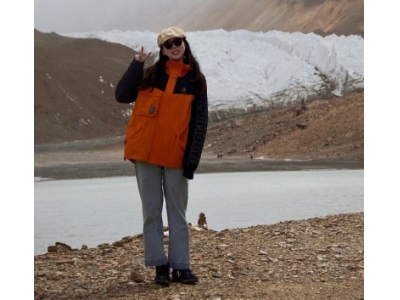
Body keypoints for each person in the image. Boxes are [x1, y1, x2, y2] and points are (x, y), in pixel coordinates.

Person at [115, 26, 208, 286]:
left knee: (177, 213)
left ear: (185, 44)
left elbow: (200, 123)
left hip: (176, 156)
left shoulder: (195, 80)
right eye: (168, 44)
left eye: (178, 42)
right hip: (145, 153)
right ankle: (159, 268)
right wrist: (136, 65)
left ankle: (181, 267)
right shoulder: (149, 76)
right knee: (151, 213)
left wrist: (192, 161)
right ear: (163, 50)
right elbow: (122, 95)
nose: (174, 47)